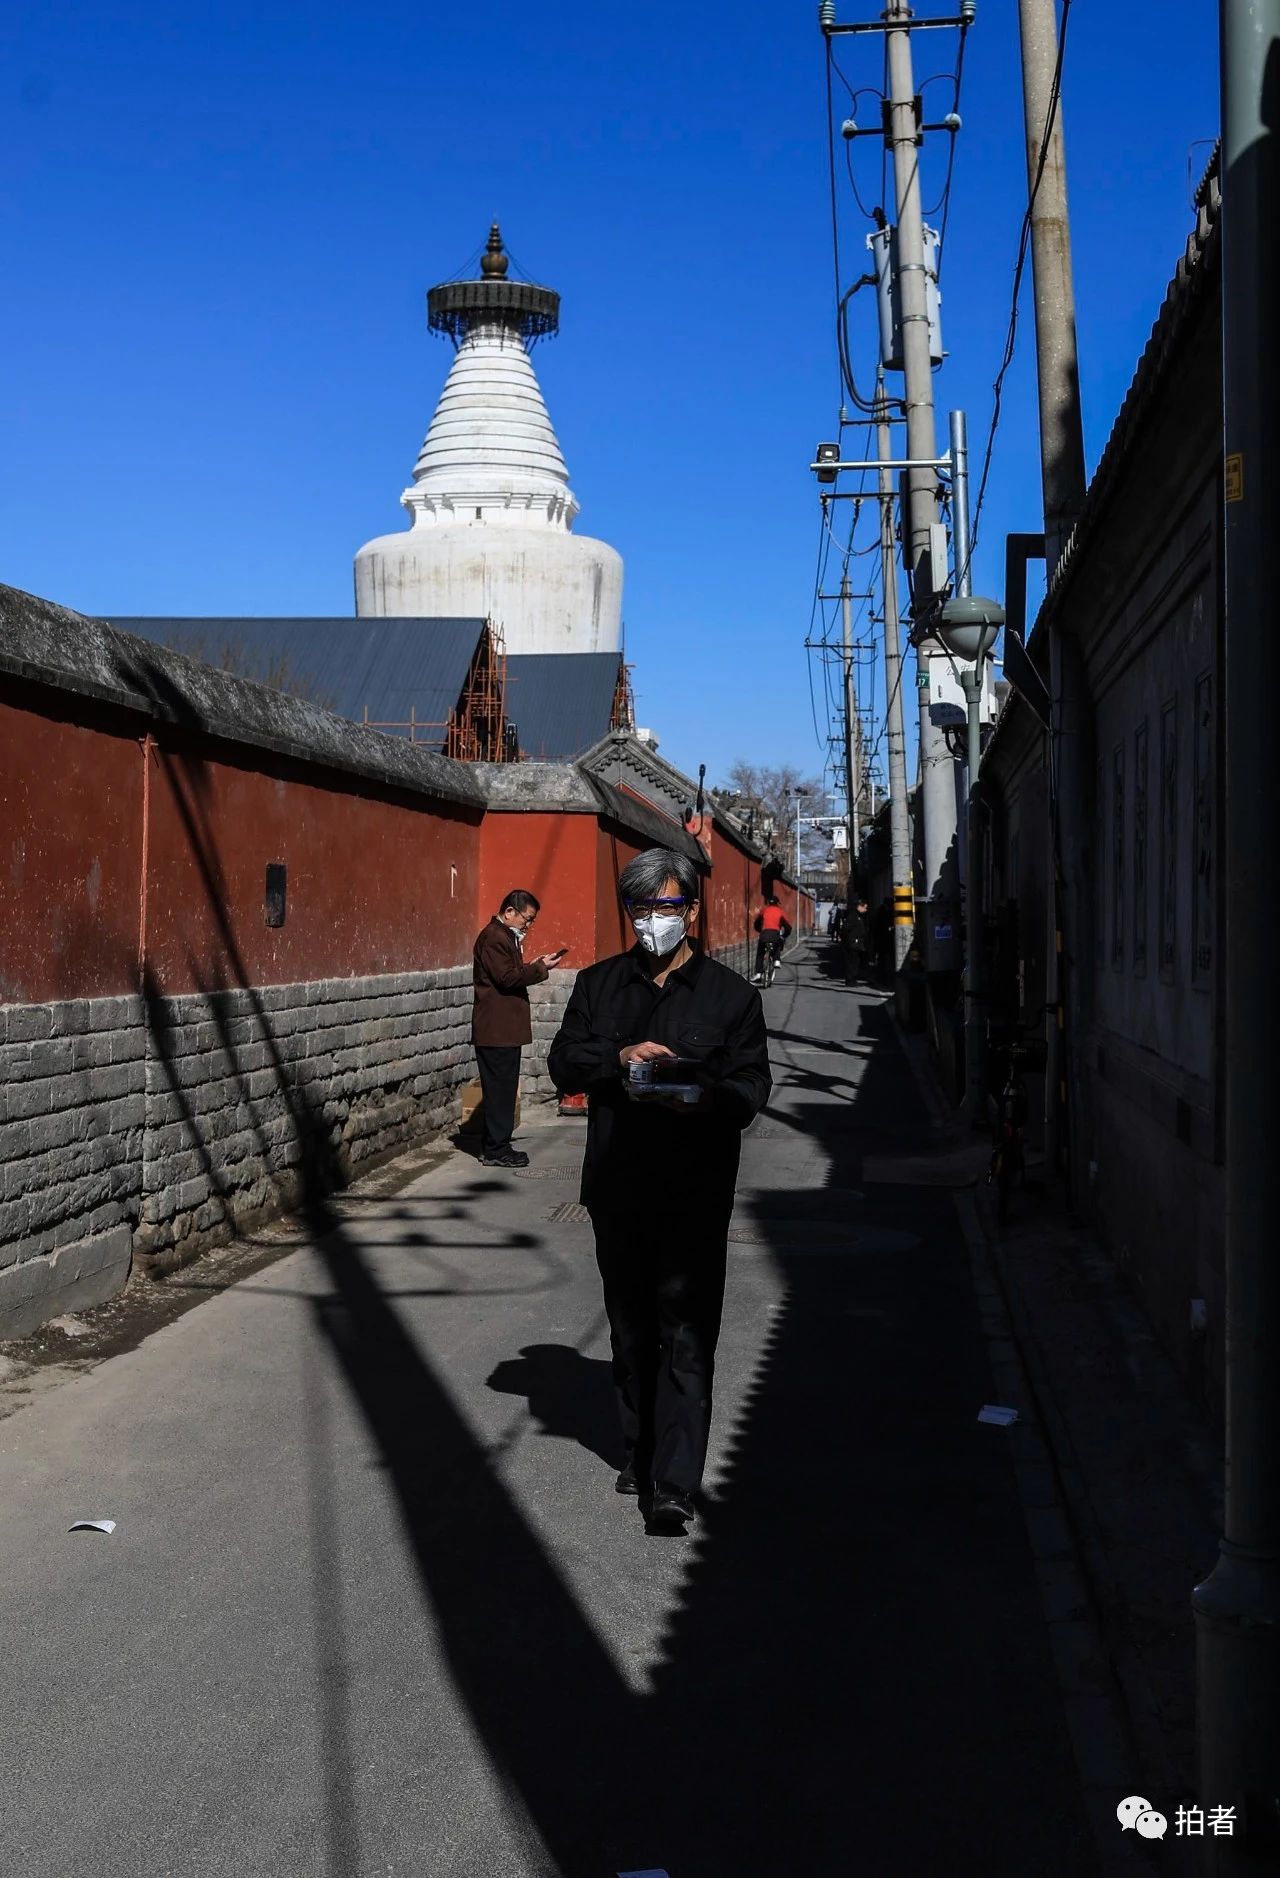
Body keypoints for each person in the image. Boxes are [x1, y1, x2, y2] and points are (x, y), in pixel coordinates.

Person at [548, 847, 771, 1533]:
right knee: (630, 1330)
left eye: (668, 907)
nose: (654, 920)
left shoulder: (732, 998)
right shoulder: (599, 986)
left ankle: (674, 1483)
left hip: (695, 1192)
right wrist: (618, 1060)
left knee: (686, 1334)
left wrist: (694, 1095)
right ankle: (639, 1452)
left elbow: (750, 1090)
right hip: (617, 1187)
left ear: (693, 911)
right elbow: (563, 1065)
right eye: (642, 908)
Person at [471, 890, 565, 1168]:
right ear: (509, 912)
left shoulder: (503, 937)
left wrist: (535, 966)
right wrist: (539, 968)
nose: (528, 925)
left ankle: (494, 1145)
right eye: (527, 918)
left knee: (502, 1087)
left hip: (502, 1030)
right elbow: (507, 978)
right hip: (496, 1030)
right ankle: (496, 1149)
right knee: (500, 1089)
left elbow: (508, 973)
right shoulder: (494, 937)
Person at [751, 895, 792, 982]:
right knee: (777, 944)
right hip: (775, 934)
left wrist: (760, 930)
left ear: (768, 903)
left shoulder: (764, 910)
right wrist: (784, 936)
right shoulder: (780, 911)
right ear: (777, 903)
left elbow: (756, 923)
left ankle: (758, 974)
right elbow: (788, 927)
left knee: (760, 954)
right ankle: (776, 960)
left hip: (764, 934)